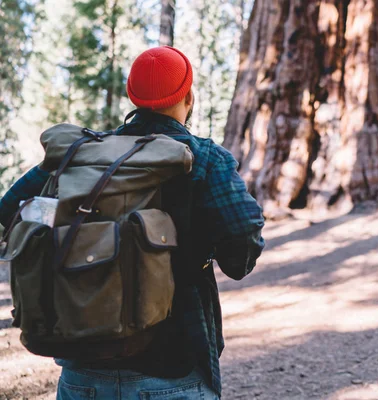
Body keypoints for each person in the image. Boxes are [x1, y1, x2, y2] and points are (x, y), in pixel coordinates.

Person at [0, 46, 265, 399]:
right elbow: (242, 241)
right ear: (189, 97)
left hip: (81, 370)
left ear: (132, 97)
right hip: (173, 369)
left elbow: (7, 212)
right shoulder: (204, 159)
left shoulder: (81, 153)